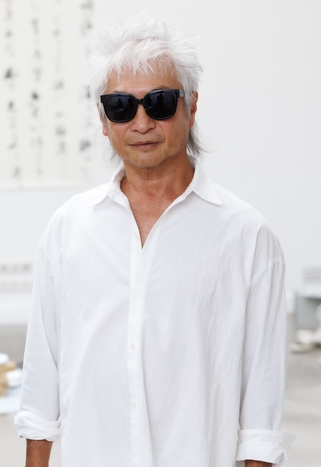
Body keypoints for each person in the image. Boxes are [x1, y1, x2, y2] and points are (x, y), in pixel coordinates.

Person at [15, 16, 295, 467]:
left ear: (191, 106)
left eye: (160, 102)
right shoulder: (70, 228)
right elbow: (41, 373)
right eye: (121, 106)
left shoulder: (247, 236)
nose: (142, 122)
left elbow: (262, 400)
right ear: (103, 119)